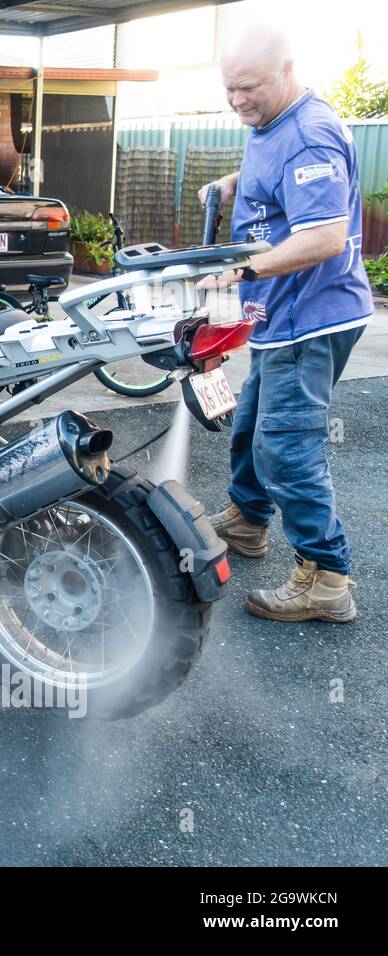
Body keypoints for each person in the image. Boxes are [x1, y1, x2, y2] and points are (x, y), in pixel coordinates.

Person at [196, 26, 373, 623]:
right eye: (229, 88)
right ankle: (247, 521)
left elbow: (322, 235)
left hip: (311, 317)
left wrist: (242, 272)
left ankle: (326, 577)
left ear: (286, 71)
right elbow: (276, 186)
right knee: (250, 422)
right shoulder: (271, 125)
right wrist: (232, 183)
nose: (238, 100)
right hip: (282, 314)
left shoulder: (307, 136)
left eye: (249, 87)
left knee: (287, 447)